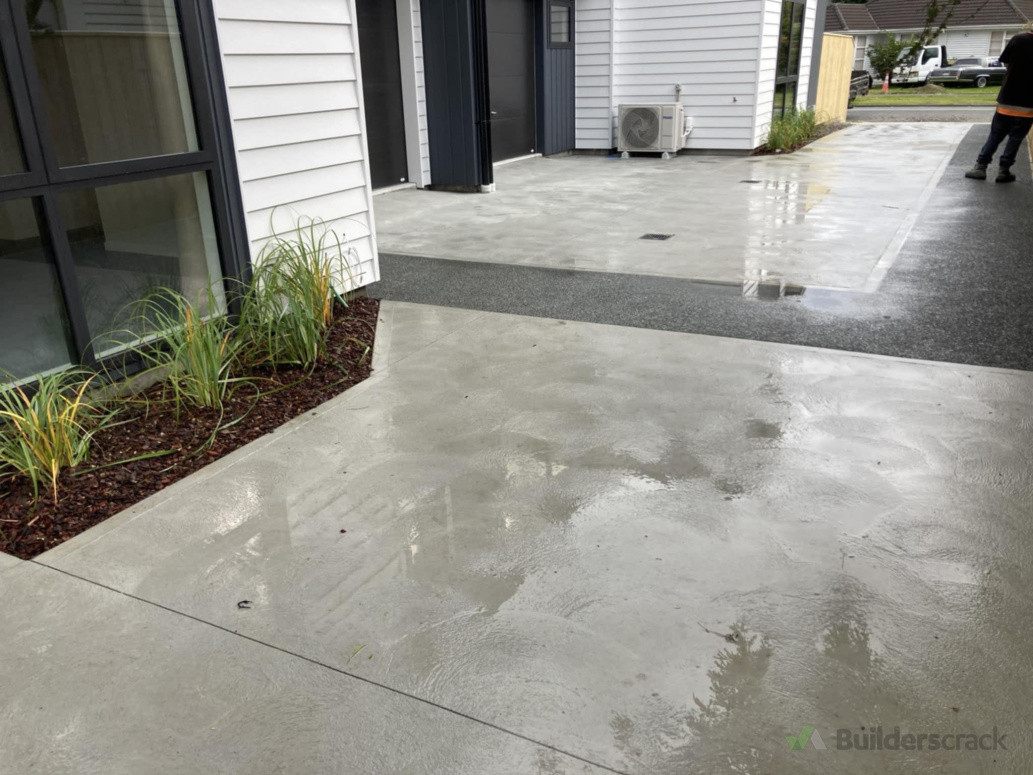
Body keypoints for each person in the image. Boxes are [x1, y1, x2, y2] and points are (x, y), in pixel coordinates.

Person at [966, 28, 1033, 183]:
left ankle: (980, 167)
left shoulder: (1018, 39)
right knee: (1015, 139)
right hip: (1028, 105)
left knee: (995, 135)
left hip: (1007, 99)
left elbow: (1006, 62)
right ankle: (1004, 171)